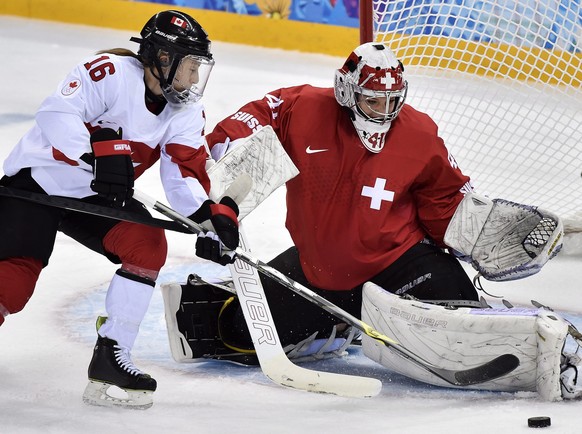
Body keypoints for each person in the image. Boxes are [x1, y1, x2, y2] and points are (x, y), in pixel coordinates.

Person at [174, 42, 580, 401]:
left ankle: (557, 352)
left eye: (392, 101)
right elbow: (235, 141)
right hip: (320, 270)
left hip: (401, 265)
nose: (384, 113)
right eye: (373, 101)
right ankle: (338, 326)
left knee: (462, 321)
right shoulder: (300, 108)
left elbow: (445, 201)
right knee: (231, 333)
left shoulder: (419, 133)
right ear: (347, 92)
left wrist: (480, 231)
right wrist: (218, 210)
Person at [0, 10, 239, 409]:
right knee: (14, 286)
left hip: (96, 197)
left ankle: (111, 355)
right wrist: (92, 154)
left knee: (147, 244)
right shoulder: (107, 73)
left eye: (199, 67)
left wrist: (204, 216)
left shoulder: (183, 110)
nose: (195, 78)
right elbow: (56, 113)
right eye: (191, 66)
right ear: (162, 59)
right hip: (39, 183)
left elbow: (181, 169)